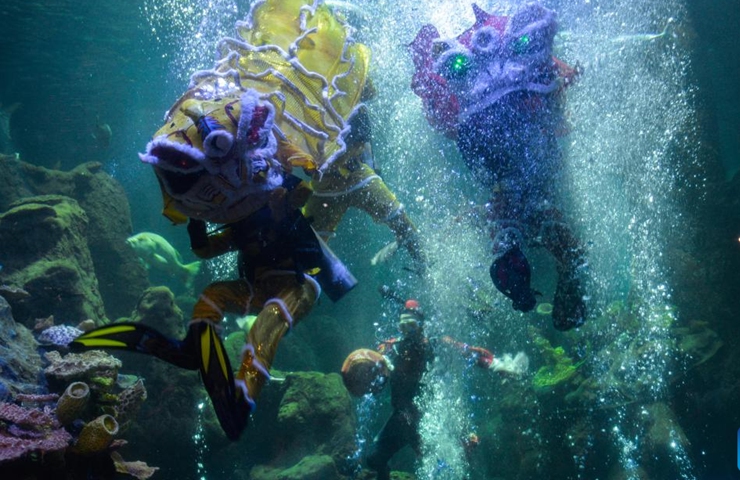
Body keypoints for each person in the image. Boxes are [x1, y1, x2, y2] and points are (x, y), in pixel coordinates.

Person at [71, 0, 370, 441]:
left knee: (272, 318)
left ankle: (241, 400)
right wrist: (194, 222)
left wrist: (286, 195)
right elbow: (207, 250)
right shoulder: (245, 220)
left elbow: (305, 191)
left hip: (296, 283)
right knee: (211, 296)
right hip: (253, 283)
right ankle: (190, 348)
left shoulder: (279, 199)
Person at [408, 3, 587, 331]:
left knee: (522, 215)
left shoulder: (515, 205)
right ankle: (554, 275)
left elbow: (463, 143)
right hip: (521, 164)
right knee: (530, 213)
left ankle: (550, 276)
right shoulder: (528, 205)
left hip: (507, 167)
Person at [360, 300, 528, 480]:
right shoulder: (392, 348)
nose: (407, 332)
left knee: (447, 463)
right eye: (403, 326)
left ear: (422, 326)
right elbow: (370, 365)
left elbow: (469, 352)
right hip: (400, 420)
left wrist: (498, 365)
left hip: (428, 418)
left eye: (412, 326)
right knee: (373, 459)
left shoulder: (436, 344)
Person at [302, 81, 426, 269]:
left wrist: (372, 168)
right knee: (307, 246)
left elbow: (364, 138)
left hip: (356, 175)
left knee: (401, 221)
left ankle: (424, 266)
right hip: (328, 182)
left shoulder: (351, 94)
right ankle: (303, 287)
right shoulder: (307, 102)